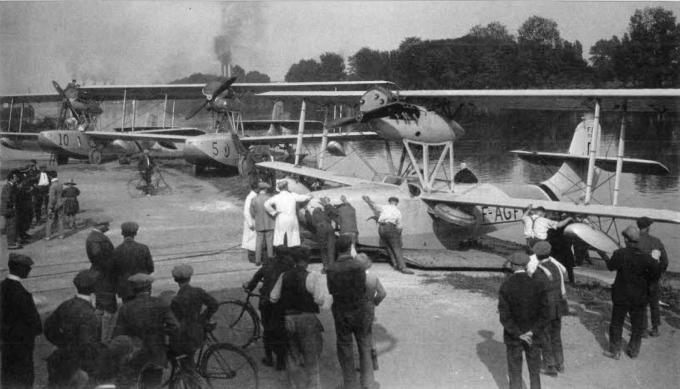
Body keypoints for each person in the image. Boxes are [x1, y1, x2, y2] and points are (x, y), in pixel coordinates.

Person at [270, 246, 329, 389]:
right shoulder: (313, 276)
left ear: (294, 260)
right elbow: (320, 300)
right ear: (307, 260)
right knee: (311, 358)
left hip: (289, 318)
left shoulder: (284, 276)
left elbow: (273, 297)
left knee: (292, 357)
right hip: (307, 318)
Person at [327, 235, 378, 389]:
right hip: (359, 309)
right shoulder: (358, 266)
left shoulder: (332, 268)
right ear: (350, 248)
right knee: (363, 344)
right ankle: (368, 382)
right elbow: (363, 288)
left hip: (341, 310)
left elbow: (331, 290)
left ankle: (350, 384)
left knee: (344, 346)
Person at [603, 225, 661, 360]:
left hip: (621, 295)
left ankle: (615, 351)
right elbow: (655, 276)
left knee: (617, 323)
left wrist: (603, 255)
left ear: (626, 240)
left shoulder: (620, 253)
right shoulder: (647, 258)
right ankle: (633, 351)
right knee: (637, 324)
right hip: (640, 297)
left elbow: (610, 267)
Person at [112, 273, 179, 387]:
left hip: (135, 356)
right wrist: (162, 332)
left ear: (133, 289)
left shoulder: (126, 308)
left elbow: (118, 335)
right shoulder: (160, 303)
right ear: (150, 288)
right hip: (156, 355)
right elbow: (175, 326)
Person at [499, 251, 550, 389]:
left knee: (515, 371)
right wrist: (532, 332)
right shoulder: (538, 285)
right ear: (526, 265)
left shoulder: (506, 286)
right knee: (534, 371)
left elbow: (504, 316)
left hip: (514, 336)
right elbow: (545, 313)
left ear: (513, 266)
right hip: (534, 335)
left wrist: (518, 333)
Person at [44, 269, 103, 388]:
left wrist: (63, 343)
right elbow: (87, 344)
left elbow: (48, 328)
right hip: (80, 365)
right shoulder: (89, 314)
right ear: (95, 288)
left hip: (63, 358)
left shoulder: (66, 304)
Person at [244, 248, 294, 370]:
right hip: (281, 302)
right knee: (281, 330)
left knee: (267, 330)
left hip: (266, 301)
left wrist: (249, 287)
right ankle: (281, 361)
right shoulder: (289, 265)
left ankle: (269, 358)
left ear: (275, 254)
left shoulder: (268, 264)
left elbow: (256, 278)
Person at [1, 254, 43, 389]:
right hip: (22, 340)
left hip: (6, 339)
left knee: (8, 371)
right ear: (20, 269)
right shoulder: (21, 294)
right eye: (27, 268)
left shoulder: (2, 286)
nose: (29, 270)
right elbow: (33, 320)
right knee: (24, 374)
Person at [529, 241, 567, 376]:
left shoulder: (539, 272)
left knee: (544, 336)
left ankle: (549, 365)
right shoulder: (555, 266)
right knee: (556, 336)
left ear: (537, 255)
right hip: (557, 307)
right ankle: (560, 363)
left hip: (546, 309)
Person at [169, 264, 219, 360]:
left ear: (175, 280)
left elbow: (174, 322)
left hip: (186, 336)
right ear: (189, 278)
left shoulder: (177, 300)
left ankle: (189, 372)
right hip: (199, 331)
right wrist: (203, 318)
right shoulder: (198, 291)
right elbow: (214, 304)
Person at [362, 195, 414, 274]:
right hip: (390, 227)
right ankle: (403, 268)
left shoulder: (384, 207)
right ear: (396, 203)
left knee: (388, 247)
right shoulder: (397, 211)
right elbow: (399, 227)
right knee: (397, 248)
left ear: (389, 202)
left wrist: (368, 200)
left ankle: (395, 264)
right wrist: (398, 236)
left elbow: (374, 206)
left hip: (381, 228)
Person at [636, 217, 669, 337]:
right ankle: (655, 329)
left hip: (640, 277)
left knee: (641, 304)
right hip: (653, 277)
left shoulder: (634, 241)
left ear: (638, 227)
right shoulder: (656, 241)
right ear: (648, 227)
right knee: (654, 303)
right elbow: (665, 261)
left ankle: (643, 329)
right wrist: (659, 272)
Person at [86, 215, 117, 341]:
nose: (108, 227)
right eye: (106, 224)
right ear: (100, 225)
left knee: (101, 307)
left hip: (101, 275)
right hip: (104, 277)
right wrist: (113, 265)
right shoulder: (96, 239)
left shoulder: (95, 238)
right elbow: (99, 258)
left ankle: (98, 336)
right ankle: (105, 339)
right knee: (108, 309)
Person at [355, 253, 386, 371]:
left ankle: (364, 364)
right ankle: (374, 362)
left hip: (358, 307)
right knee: (368, 332)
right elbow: (382, 293)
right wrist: (375, 302)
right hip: (369, 306)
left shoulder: (356, 278)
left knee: (361, 336)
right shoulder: (373, 277)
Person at [111, 221, 154, 302]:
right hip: (143, 286)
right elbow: (151, 268)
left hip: (126, 288)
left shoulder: (116, 251)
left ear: (122, 233)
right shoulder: (143, 248)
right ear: (135, 233)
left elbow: (114, 271)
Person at [264, 180, 312, 247]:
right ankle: (291, 247)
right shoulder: (292, 195)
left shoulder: (276, 197)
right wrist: (309, 196)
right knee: (292, 235)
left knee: (280, 235)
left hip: (281, 217)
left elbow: (266, 204)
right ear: (286, 187)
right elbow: (303, 198)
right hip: (291, 217)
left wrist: (273, 212)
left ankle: (281, 247)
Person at [250, 182, 276, 265]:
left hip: (259, 223)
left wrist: (257, 218)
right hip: (270, 223)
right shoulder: (270, 198)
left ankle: (257, 260)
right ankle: (270, 259)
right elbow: (274, 210)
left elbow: (252, 213)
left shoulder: (254, 199)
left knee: (258, 242)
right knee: (269, 242)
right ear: (265, 189)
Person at [311, 197, 336, 271]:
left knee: (323, 249)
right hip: (330, 228)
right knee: (331, 248)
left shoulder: (314, 214)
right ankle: (331, 267)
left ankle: (326, 266)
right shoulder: (324, 213)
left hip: (321, 229)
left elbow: (312, 223)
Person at [1, 170, 21, 249]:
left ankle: (13, 242)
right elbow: (7, 198)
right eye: (15, 177)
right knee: (11, 226)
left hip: (9, 209)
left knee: (12, 226)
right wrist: (13, 205)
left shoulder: (12, 186)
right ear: (11, 178)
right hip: (9, 210)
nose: (17, 178)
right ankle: (11, 244)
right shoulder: (8, 186)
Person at [242, 181, 259, 264]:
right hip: (251, 220)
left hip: (255, 220)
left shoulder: (255, 196)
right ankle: (252, 257)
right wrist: (250, 223)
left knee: (254, 238)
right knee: (251, 238)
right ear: (256, 188)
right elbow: (246, 212)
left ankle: (255, 255)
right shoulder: (251, 197)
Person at [45, 174, 65, 240]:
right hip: (60, 203)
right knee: (60, 219)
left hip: (54, 205)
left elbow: (52, 198)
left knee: (50, 220)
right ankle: (61, 235)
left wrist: (50, 207)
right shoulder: (60, 185)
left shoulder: (52, 186)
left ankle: (48, 236)